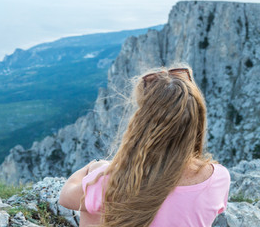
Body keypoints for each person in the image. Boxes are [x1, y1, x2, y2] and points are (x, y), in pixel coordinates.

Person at [58, 65, 231, 227]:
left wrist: (94, 167)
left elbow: (66, 197)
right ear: (197, 120)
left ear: (142, 124)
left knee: (91, 208)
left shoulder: (113, 182)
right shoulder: (219, 178)